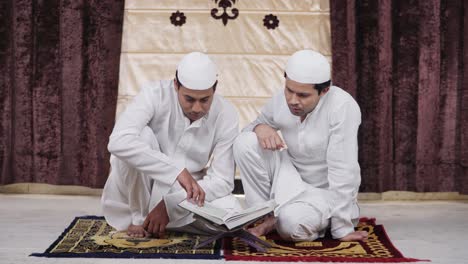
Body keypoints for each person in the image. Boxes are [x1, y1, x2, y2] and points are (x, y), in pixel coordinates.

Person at [101, 52, 241, 238]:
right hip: (137, 192)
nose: (197, 108)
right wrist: (176, 171)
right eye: (189, 99)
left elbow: (223, 181)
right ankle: (140, 219)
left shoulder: (226, 113)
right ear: (175, 85)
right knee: (141, 137)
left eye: (205, 100)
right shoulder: (154, 94)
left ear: (215, 89)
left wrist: (171, 205)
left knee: (233, 214)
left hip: (184, 195)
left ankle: (163, 220)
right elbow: (118, 141)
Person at [233, 50, 368, 242]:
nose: (292, 100)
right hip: (290, 180)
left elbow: (344, 169)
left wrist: (341, 229)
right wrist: (260, 127)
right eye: (289, 90)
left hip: (326, 194)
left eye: (303, 95)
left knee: (291, 227)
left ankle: (306, 218)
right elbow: (249, 130)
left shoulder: (342, 107)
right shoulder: (282, 99)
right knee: (245, 142)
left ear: (324, 91)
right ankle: (265, 216)